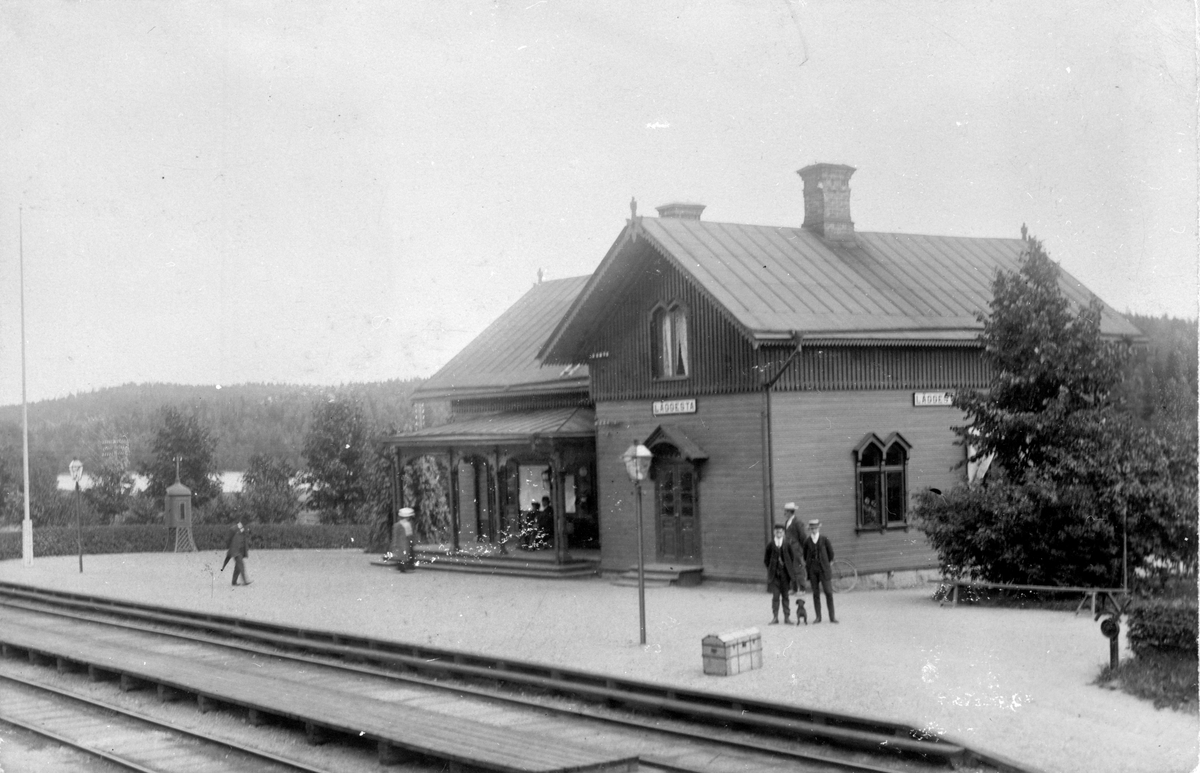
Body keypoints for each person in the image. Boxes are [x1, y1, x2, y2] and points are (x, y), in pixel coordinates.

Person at [802, 519, 837, 623]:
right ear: (810, 529)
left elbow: (831, 554)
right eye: (812, 529)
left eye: (815, 528)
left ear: (818, 528)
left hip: (823, 569)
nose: (814, 530)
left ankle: (832, 617)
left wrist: (826, 563)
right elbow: (805, 555)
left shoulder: (824, 539)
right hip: (813, 570)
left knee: (828, 592)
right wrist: (810, 565)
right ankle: (818, 617)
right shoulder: (807, 541)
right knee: (816, 593)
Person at [763, 523, 797, 625]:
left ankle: (787, 617)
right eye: (777, 532)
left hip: (785, 576)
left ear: (783, 533)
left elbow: (792, 558)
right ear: (774, 532)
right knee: (775, 597)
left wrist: (787, 568)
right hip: (775, 576)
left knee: (785, 596)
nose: (779, 534)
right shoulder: (770, 545)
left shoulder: (787, 544)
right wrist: (772, 568)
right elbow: (766, 560)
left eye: (781, 532)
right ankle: (775, 617)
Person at [782, 502, 809, 622]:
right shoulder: (787, 522)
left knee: (798, 568)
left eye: (786, 511)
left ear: (790, 512)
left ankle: (802, 589)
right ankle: (794, 588)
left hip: (796, 549)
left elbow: (803, 536)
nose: (784, 513)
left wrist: (801, 549)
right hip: (789, 549)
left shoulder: (797, 522)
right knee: (791, 568)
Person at [224, 522, 251, 587]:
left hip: (241, 551)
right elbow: (227, 539)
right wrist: (231, 547)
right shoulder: (233, 529)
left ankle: (234, 582)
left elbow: (245, 539)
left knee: (238, 567)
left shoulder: (244, 529)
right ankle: (245, 581)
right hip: (235, 551)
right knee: (241, 565)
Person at [393, 507, 416, 572]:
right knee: (402, 555)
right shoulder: (399, 525)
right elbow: (396, 535)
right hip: (402, 542)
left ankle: (405, 567)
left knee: (405, 554)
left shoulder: (407, 524)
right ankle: (402, 568)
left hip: (405, 542)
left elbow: (410, 534)